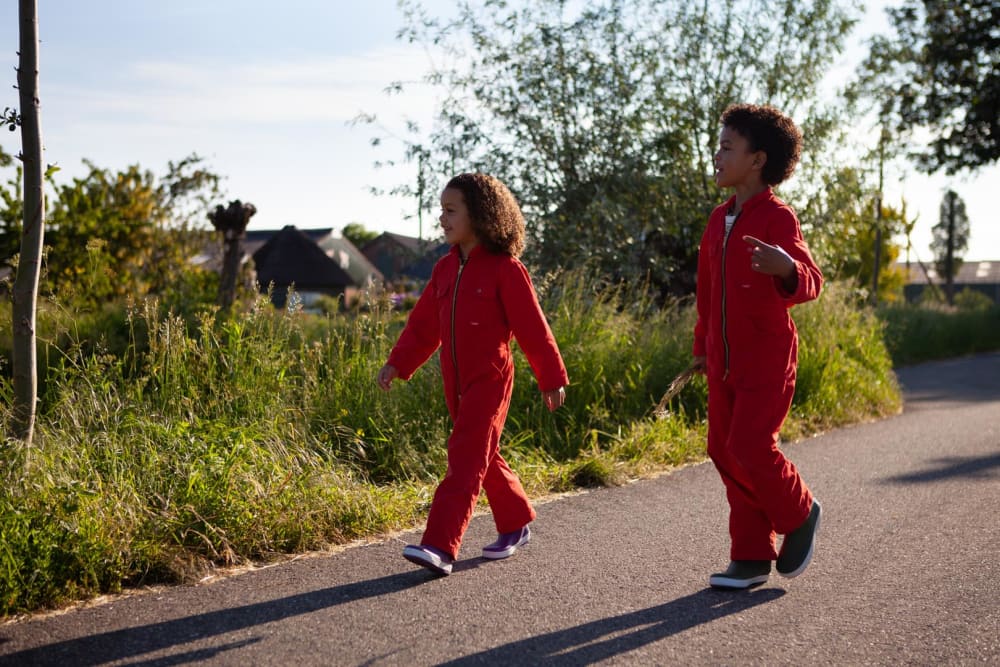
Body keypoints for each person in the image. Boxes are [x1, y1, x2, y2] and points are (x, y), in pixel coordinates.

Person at [377, 172, 568, 576]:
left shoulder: (506, 269)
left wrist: (551, 377)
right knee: (481, 453)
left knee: (464, 455)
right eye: (441, 210)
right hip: (455, 379)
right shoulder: (444, 270)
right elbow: (423, 325)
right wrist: (398, 362)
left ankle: (440, 546)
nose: (442, 219)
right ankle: (516, 522)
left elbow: (534, 329)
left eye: (451, 210)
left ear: (479, 215)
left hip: (491, 379)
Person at [692, 103, 824, 590]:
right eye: (718, 145)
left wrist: (785, 267)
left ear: (757, 160)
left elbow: (811, 281)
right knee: (722, 448)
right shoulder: (717, 220)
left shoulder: (777, 218)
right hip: (723, 358)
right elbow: (707, 292)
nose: (717, 154)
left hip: (767, 356)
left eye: (728, 147)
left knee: (749, 444)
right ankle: (749, 555)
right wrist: (702, 347)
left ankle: (799, 510)